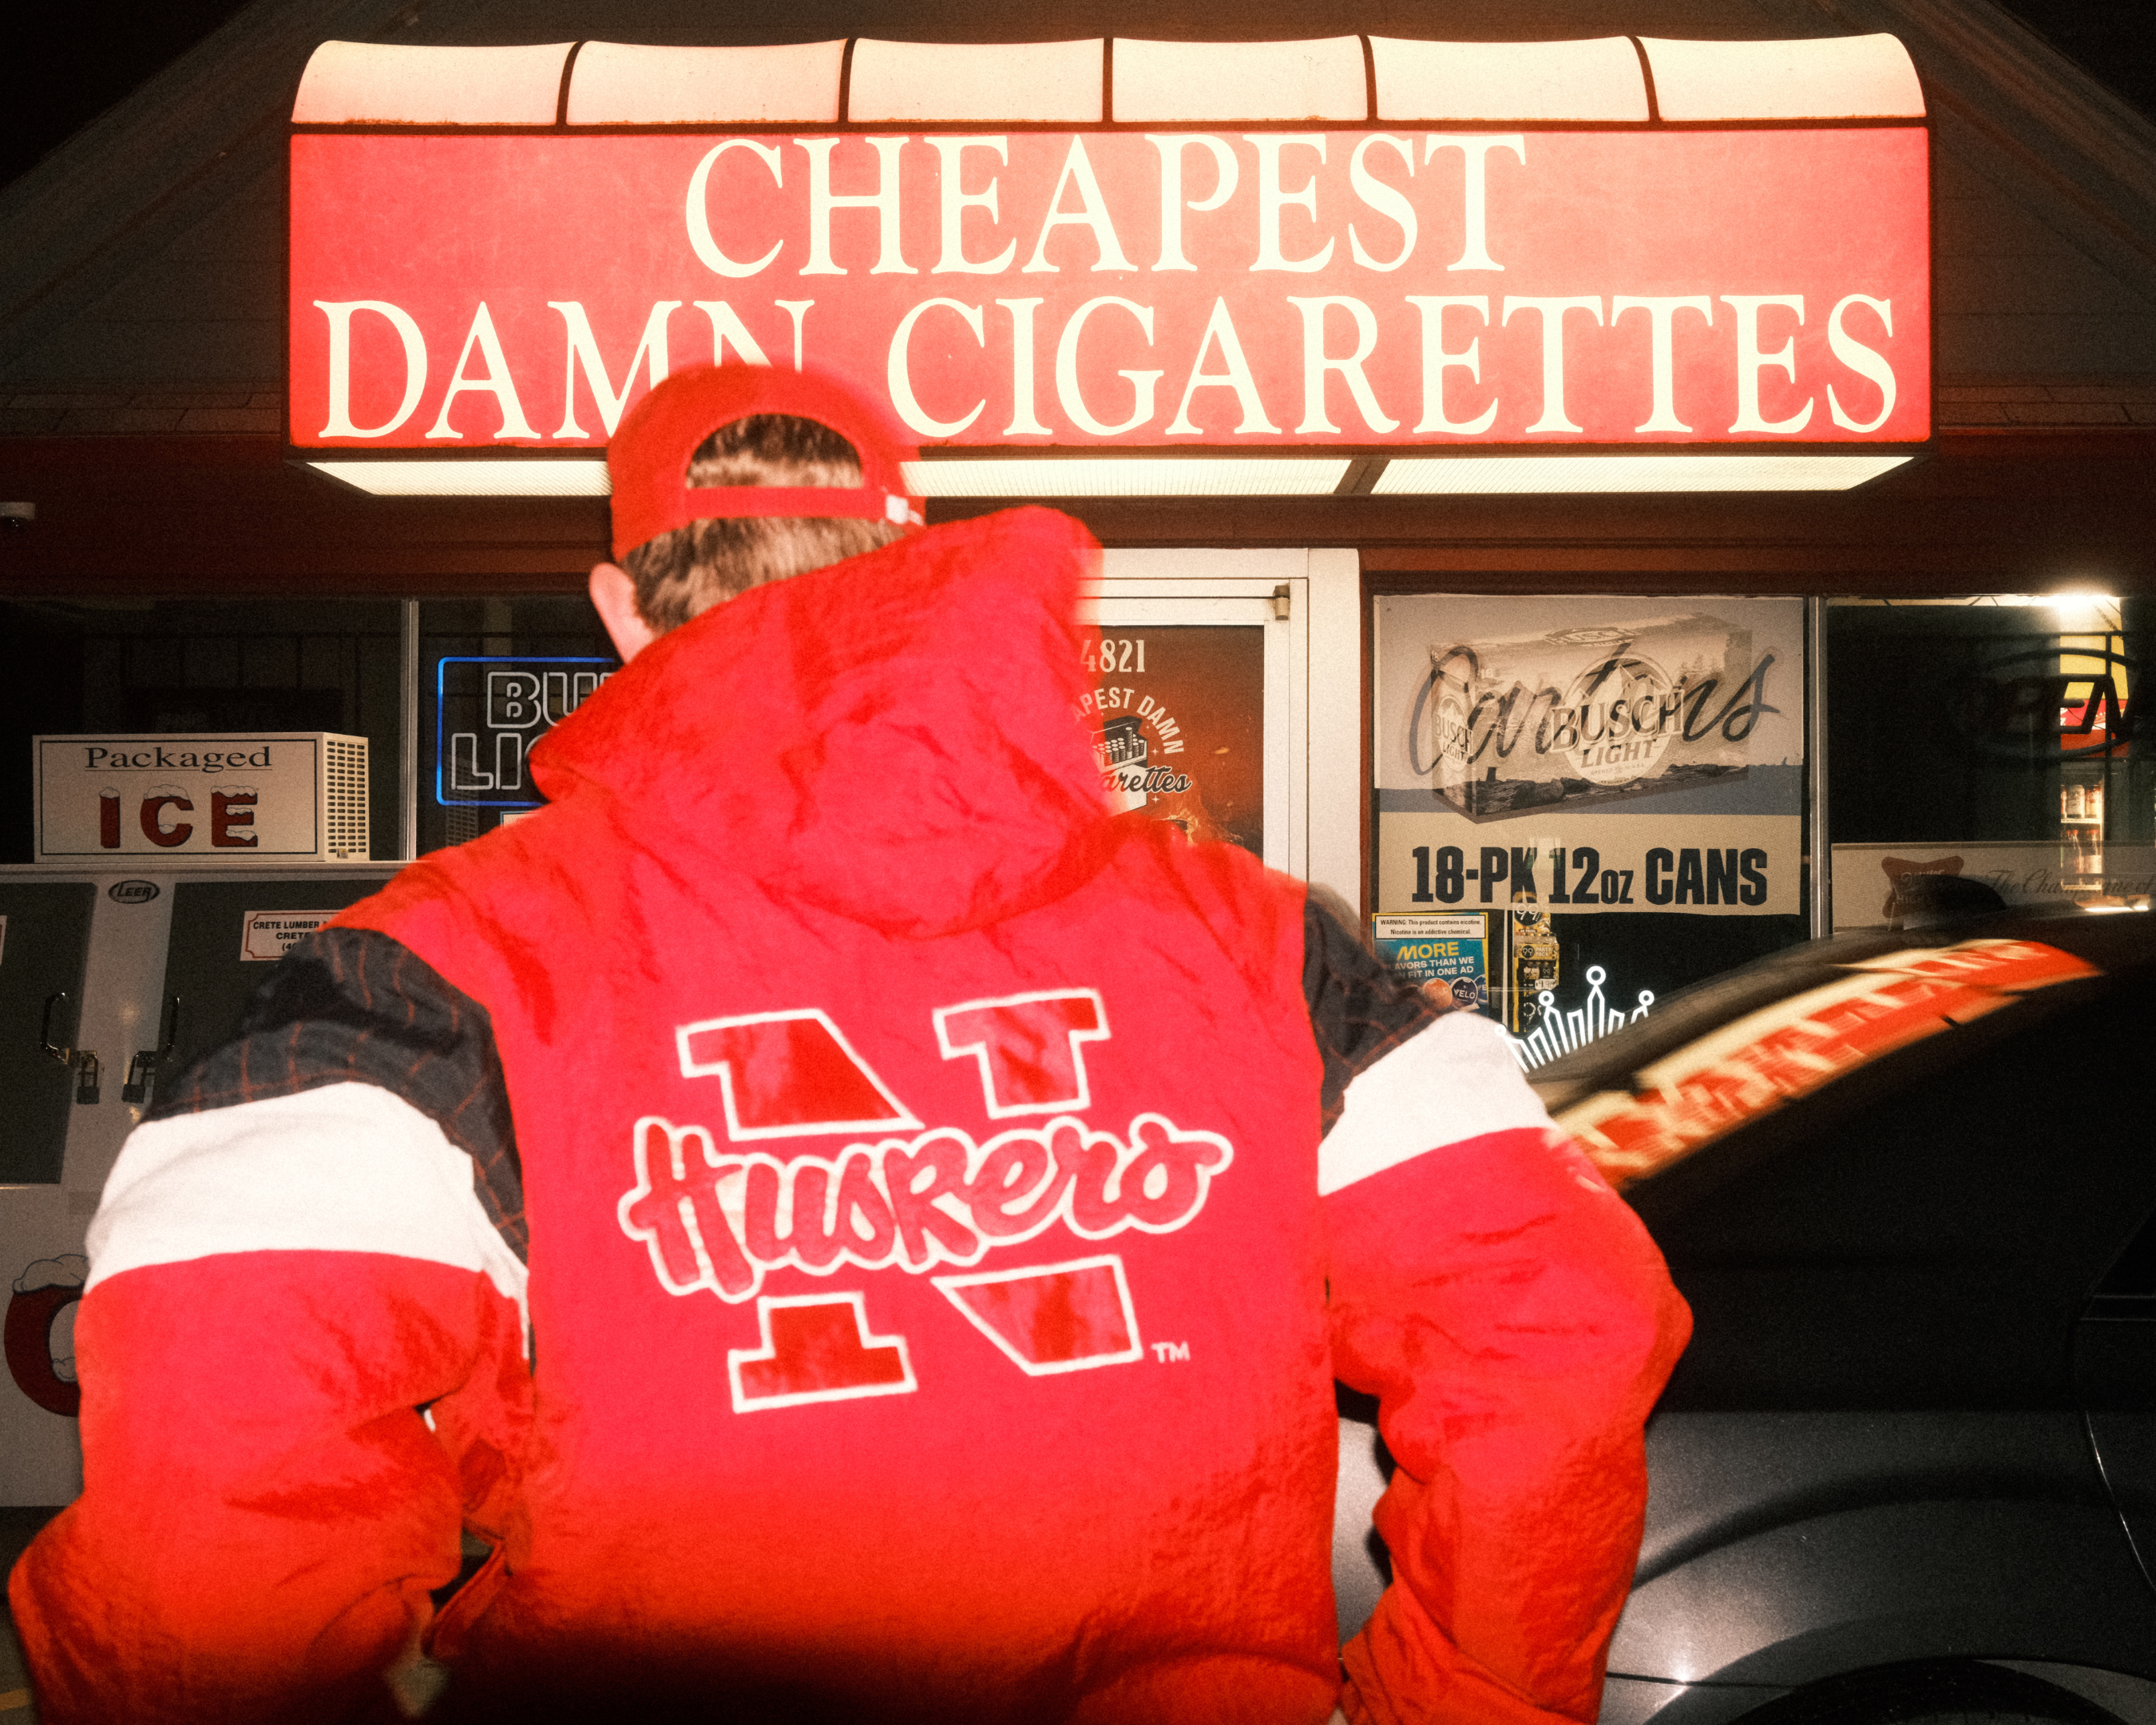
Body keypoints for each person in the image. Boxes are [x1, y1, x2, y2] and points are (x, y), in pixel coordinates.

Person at [10, 361, 1690, 1725]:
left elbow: (206, 1532)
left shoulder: (424, 976)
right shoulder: (1271, 948)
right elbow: (1559, 1327)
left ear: (614, 600)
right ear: (907, 564)